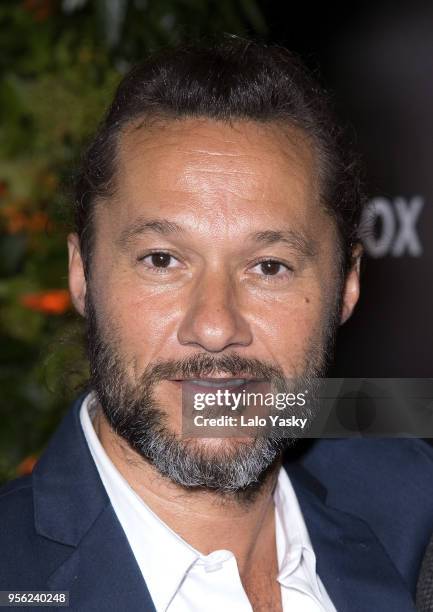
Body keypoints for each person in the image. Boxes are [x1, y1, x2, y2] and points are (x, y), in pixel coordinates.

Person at [1, 38, 433, 612]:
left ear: (347, 284)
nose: (213, 327)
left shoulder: (413, 511)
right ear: (82, 274)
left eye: (268, 267)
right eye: (162, 260)